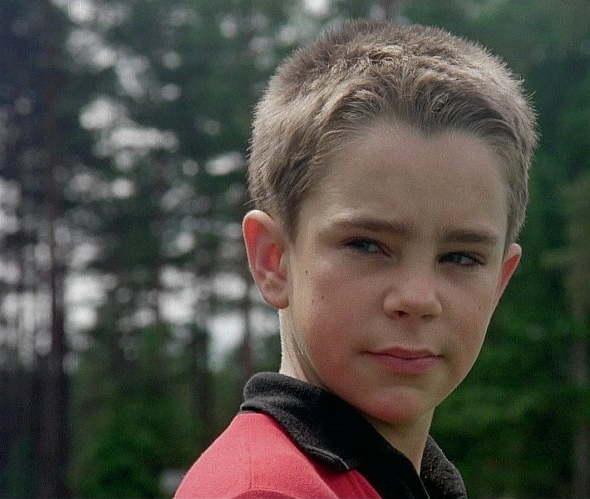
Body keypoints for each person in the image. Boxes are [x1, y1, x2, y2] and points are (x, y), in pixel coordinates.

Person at [174, 18, 537, 499]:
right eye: (367, 245)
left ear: (499, 283)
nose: (417, 299)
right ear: (273, 259)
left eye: (461, 258)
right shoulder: (267, 491)